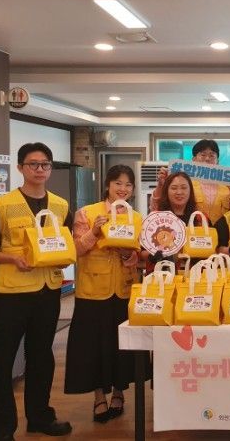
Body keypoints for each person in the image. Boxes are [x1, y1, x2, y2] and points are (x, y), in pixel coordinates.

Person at [0, 143, 73, 439]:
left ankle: (40, 417)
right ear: (20, 168)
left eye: (45, 164)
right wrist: (11, 258)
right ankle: (2, 429)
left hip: (47, 292)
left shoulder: (61, 205)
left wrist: (67, 256)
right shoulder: (1, 206)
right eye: (33, 164)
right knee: (2, 361)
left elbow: (66, 241)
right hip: (11, 295)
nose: (40, 170)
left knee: (42, 357)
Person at [64, 165, 142, 423]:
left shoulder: (136, 217)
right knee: (94, 346)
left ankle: (119, 393)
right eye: (118, 183)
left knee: (122, 347)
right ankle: (99, 397)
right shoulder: (87, 213)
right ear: (107, 185)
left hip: (124, 290)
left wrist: (128, 254)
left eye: (128, 184)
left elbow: (138, 257)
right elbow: (75, 250)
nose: (123, 189)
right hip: (92, 291)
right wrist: (94, 231)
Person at [150, 139, 230, 223]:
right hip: (192, 228)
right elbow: (157, 206)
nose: (207, 159)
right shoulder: (184, 183)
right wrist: (161, 185)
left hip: (223, 230)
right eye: (203, 155)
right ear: (194, 159)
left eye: (212, 155)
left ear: (217, 161)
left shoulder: (229, 187)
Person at [145, 171, 200, 270]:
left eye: (184, 188)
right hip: (161, 276)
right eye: (174, 188)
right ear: (166, 191)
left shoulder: (199, 218)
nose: (179, 192)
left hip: (193, 275)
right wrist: (153, 255)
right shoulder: (156, 218)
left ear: (190, 191)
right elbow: (142, 252)